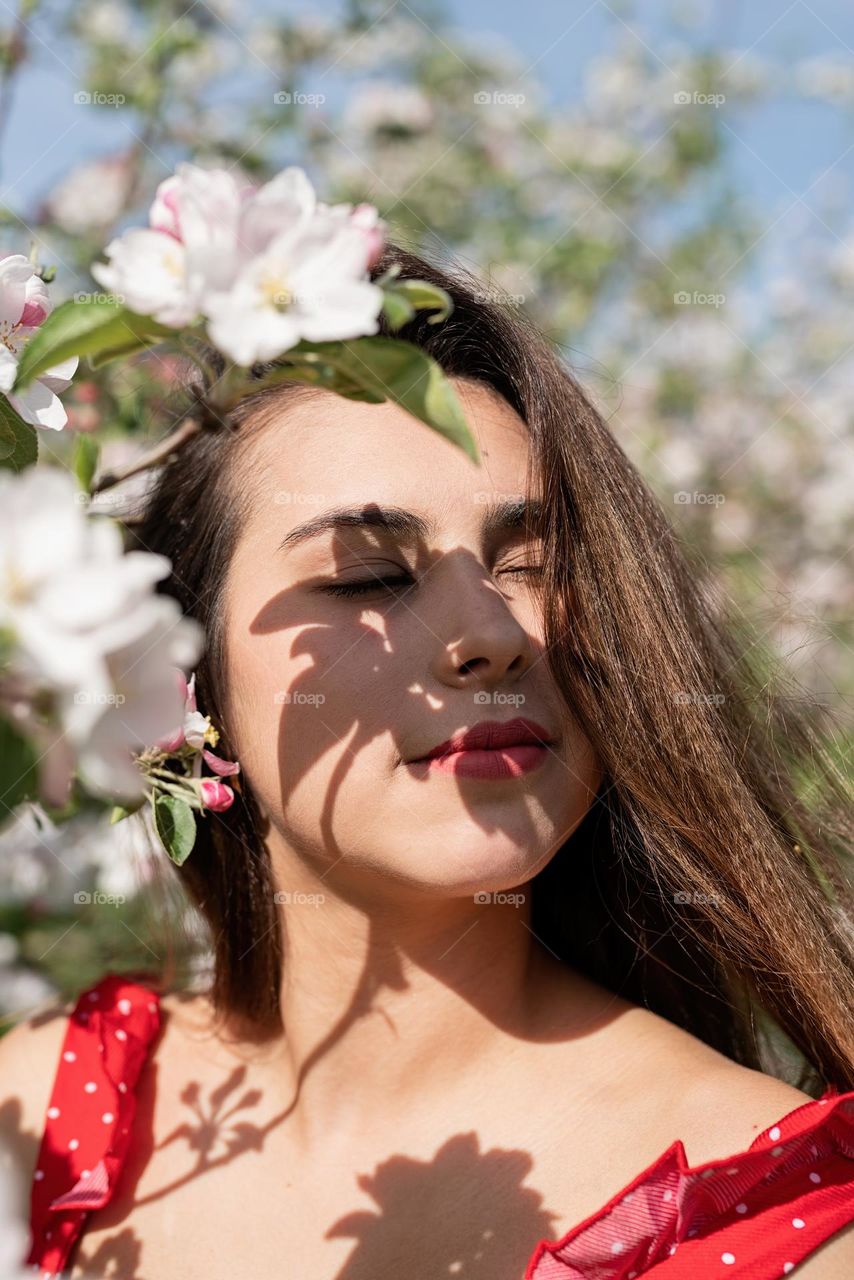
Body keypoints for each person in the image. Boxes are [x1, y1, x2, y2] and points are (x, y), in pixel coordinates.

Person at [2, 243, 853, 1279]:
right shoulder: (45, 1111)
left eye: (533, 565)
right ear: (181, 675)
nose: (487, 633)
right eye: (367, 576)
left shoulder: (772, 1220)